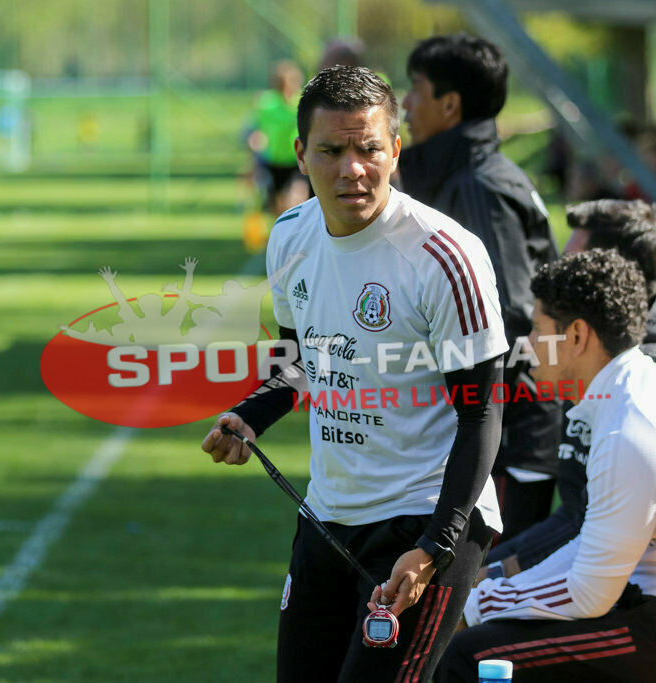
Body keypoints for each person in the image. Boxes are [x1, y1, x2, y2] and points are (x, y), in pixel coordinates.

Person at [201, 66, 509, 682]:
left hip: (428, 519)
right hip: (327, 515)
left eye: (369, 148)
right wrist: (251, 416)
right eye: (332, 150)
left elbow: (482, 411)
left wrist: (434, 548)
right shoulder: (289, 238)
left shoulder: (445, 257)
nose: (353, 168)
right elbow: (296, 363)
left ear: (395, 149)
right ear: (300, 154)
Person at [438, 249, 656, 681]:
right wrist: (481, 595)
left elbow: (589, 592)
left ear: (577, 336)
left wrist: (476, 604)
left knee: (473, 655)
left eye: (539, 330)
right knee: (488, 634)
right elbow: (592, 552)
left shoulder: (632, 426)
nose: (527, 346)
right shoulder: (630, 393)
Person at [479, 199, 656, 581]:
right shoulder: (623, 354)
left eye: (573, 261)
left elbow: (589, 530)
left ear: (611, 275)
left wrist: (491, 576)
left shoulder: (639, 375)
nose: (560, 272)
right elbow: (579, 513)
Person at [398, 34, 562, 543]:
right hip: (497, 434)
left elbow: (506, 319)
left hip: (509, 441)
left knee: (481, 601)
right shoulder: (470, 174)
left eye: (415, 90)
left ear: (450, 105)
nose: (404, 104)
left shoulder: (477, 188)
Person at [247, 60, 310, 219]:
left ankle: (298, 234)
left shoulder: (301, 102)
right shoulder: (266, 104)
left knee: (296, 199)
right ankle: (282, 235)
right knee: (277, 205)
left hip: (296, 159)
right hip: (274, 160)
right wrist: (253, 156)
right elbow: (258, 131)